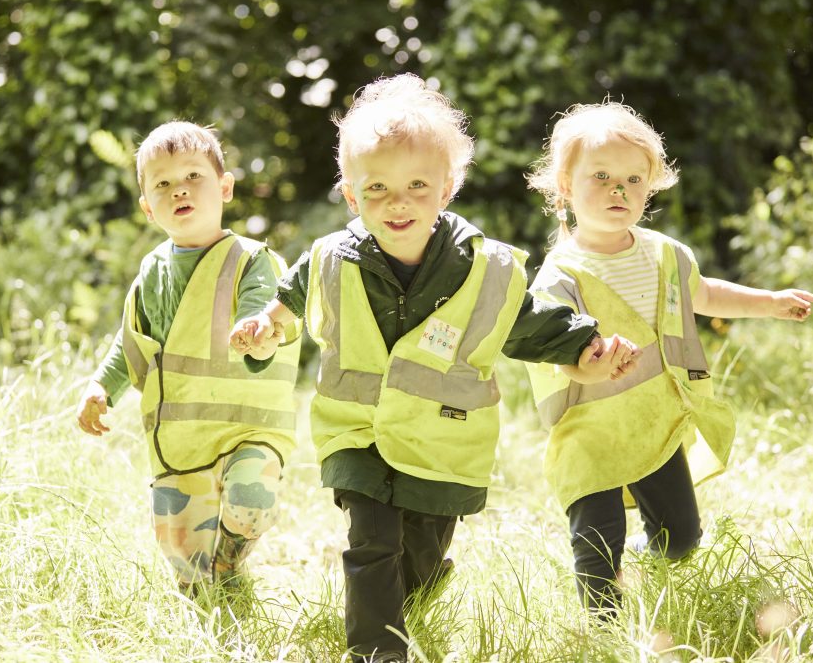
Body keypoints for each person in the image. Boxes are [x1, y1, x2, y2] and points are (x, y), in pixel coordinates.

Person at [230, 75, 638, 662]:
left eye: (417, 185)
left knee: (418, 557)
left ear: (447, 188)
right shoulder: (328, 260)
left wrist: (585, 351)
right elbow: (290, 302)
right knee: (372, 541)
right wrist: (265, 327)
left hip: (441, 442)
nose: (399, 202)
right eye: (378, 188)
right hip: (358, 433)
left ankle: (415, 599)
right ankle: (377, 652)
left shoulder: (487, 270)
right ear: (351, 195)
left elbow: (531, 323)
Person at [524, 101, 813, 614]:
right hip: (591, 428)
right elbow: (555, 351)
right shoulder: (560, 276)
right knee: (598, 540)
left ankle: (637, 561)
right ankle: (606, 632)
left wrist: (769, 303)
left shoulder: (663, 253)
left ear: (651, 186)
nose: (619, 190)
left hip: (655, 420)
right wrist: (589, 364)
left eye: (634, 179)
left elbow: (703, 294)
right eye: (601, 176)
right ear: (565, 187)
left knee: (681, 536)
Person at [75, 121, 300, 593]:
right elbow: (132, 341)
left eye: (194, 176)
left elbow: (265, 308)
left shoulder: (251, 259)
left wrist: (258, 331)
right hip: (181, 435)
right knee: (187, 562)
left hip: (247, 425)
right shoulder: (151, 274)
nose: (179, 190)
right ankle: (215, 597)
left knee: (250, 501)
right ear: (148, 207)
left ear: (224, 187)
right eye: (163, 184)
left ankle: (232, 563)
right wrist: (101, 387)